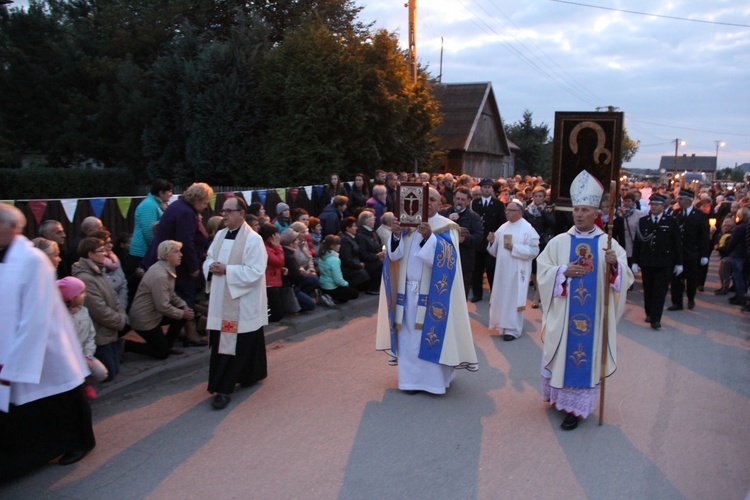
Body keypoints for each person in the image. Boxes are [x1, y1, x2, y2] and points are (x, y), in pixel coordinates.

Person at [0, 204, 95, 480]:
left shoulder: (32, 259)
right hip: (12, 341)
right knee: (29, 407)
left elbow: (36, 313)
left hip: (45, 343)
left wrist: (15, 360)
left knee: (63, 396)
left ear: (11, 228)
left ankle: (81, 442)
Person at [537, 170, 633, 430]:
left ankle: (576, 409)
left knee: (582, 356)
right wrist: (561, 272)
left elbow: (626, 278)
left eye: (584, 210)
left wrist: (615, 267)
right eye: (576, 209)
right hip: (564, 313)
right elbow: (542, 269)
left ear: (595, 213)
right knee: (560, 353)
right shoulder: (559, 242)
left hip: (592, 320)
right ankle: (557, 398)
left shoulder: (608, 243)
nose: (579, 214)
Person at [376, 187, 478, 395]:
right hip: (406, 293)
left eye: (433, 199)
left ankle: (435, 382)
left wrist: (429, 237)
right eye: (425, 199)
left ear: (440, 204)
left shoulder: (447, 226)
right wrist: (395, 235)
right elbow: (394, 257)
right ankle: (410, 382)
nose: (428, 203)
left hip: (434, 295)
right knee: (407, 337)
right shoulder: (406, 225)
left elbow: (448, 261)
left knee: (431, 335)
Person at [204, 196, 269, 410]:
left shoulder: (253, 240)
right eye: (223, 211)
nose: (224, 215)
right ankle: (245, 376)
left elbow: (256, 271)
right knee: (227, 344)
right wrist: (211, 266)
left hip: (241, 302)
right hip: (221, 299)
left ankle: (224, 389)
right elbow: (209, 257)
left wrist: (227, 270)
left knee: (235, 345)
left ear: (241, 213)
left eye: (228, 211)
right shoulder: (220, 235)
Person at [142, 182, 213, 345]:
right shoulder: (187, 213)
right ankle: (190, 334)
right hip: (178, 264)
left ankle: (181, 332)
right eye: (205, 202)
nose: (206, 206)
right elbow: (185, 243)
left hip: (169, 260)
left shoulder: (178, 206)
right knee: (186, 297)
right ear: (198, 199)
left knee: (182, 298)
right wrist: (194, 267)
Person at [72, 237, 129, 381]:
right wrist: (120, 320)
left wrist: (121, 313)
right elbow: (98, 309)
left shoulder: (99, 271)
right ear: (90, 255)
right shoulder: (86, 278)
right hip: (101, 333)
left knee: (115, 370)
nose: (104, 253)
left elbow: (114, 297)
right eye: (100, 251)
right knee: (108, 374)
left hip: (111, 330)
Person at [126, 240, 194, 359]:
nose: (181, 255)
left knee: (182, 316)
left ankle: (168, 344)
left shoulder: (167, 269)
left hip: (154, 314)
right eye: (177, 252)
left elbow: (171, 294)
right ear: (167, 255)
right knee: (161, 354)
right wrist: (182, 313)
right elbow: (162, 306)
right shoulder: (160, 274)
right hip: (144, 319)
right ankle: (127, 345)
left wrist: (184, 307)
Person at [487, 199, 540, 341]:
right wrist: (492, 241)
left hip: (518, 270)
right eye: (507, 210)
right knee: (503, 296)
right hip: (502, 270)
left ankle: (514, 329)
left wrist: (515, 248)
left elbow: (535, 251)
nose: (507, 213)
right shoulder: (503, 227)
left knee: (514, 298)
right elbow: (495, 251)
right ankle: (502, 325)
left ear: (520, 212)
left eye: (511, 210)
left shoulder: (528, 229)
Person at [631, 194, 683, 330]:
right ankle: (649, 313)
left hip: (664, 262)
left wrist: (679, 263)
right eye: (652, 204)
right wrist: (635, 261)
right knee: (648, 290)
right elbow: (638, 242)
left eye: (657, 205)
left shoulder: (670, 221)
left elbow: (677, 242)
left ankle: (656, 319)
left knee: (660, 291)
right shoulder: (644, 221)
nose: (653, 207)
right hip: (647, 261)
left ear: (663, 206)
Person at [57, 276, 109, 400]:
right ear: (71, 297)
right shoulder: (61, 317)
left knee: (103, 373)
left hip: (84, 353)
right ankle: (82, 384)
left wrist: (88, 354)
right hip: (69, 357)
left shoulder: (84, 311)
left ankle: (85, 380)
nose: (85, 295)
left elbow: (91, 334)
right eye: (81, 293)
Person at [668, 189, 710, 311]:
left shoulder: (699, 215)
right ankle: (677, 303)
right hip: (677, 253)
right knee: (675, 279)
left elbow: (704, 236)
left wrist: (704, 254)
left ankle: (691, 298)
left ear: (688, 200)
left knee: (691, 279)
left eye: (680, 199)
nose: (678, 201)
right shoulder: (676, 214)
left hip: (692, 252)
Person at [439, 187, 483, 299]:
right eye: (458, 198)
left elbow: (479, 238)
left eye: (463, 199)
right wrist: (447, 221)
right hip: (444, 259)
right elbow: (434, 231)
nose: (460, 201)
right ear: (453, 199)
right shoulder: (443, 214)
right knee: (443, 294)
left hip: (464, 261)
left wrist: (464, 239)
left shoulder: (473, 217)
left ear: (468, 201)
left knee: (461, 296)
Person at [470, 178, 506, 302]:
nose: (486, 189)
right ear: (481, 189)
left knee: (492, 269)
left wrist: (496, 237)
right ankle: (477, 294)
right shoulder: (475, 203)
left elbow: (502, 223)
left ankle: (494, 294)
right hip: (478, 241)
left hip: (491, 242)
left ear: (492, 189)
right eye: (484, 187)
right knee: (477, 270)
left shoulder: (498, 204)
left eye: (489, 187)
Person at [524, 186, 555, 307]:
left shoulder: (549, 209)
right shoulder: (528, 210)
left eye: (540, 196)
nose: (537, 198)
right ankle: (539, 290)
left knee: (541, 268)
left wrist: (543, 211)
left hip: (544, 241)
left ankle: (537, 296)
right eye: (535, 196)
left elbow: (552, 223)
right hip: (532, 242)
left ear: (544, 197)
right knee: (533, 269)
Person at [130, 179, 173, 266]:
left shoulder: (158, 204)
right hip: (143, 252)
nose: (171, 195)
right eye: (169, 192)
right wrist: (157, 251)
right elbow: (149, 231)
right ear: (161, 193)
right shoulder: (149, 205)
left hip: (149, 251)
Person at [318, 234, 359, 303]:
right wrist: (346, 284)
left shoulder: (322, 256)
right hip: (331, 287)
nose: (340, 246)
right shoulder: (334, 260)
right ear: (332, 246)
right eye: (338, 244)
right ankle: (331, 298)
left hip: (323, 284)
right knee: (354, 293)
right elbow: (337, 280)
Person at [355, 210, 384, 295]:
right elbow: (363, 254)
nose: (374, 220)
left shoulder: (372, 232)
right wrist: (377, 257)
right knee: (380, 266)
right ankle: (372, 287)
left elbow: (379, 243)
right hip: (368, 261)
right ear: (366, 222)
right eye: (372, 219)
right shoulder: (361, 236)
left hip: (375, 257)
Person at [339, 216, 370, 290]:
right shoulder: (345, 240)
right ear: (348, 228)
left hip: (354, 263)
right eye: (354, 226)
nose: (356, 228)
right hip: (349, 268)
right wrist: (358, 265)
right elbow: (347, 258)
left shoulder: (350, 238)